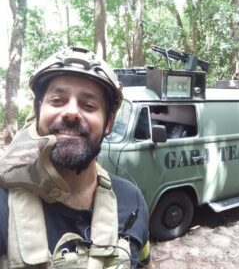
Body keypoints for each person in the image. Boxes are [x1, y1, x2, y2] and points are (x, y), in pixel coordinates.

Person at [0, 47, 152, 269]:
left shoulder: (132, 200)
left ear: (108, 123)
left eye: (89, 105)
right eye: (57, 100)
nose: (71, 112)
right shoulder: (3, 206)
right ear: (39, 110)